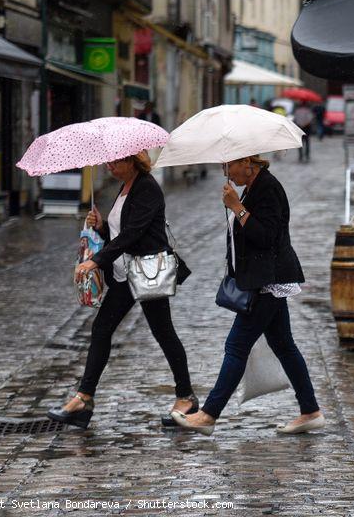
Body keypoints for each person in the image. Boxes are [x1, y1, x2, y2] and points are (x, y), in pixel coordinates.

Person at [172, 155, 323, 436]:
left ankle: (208, 415)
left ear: (247, 162)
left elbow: (266, 237)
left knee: (236, 347)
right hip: (262, 279)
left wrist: (238, 209)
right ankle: (310, 410)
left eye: (229, 165)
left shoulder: (268, 188)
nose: (225, 172)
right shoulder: (251, 188)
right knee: (284, 346)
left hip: (267, 282)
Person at [46, 152, 196, 430]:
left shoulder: (147, 187)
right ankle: (84, 398)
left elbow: (133, 234)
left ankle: (186, 396)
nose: (109, 166)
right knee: (101, 329)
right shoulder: (125, 186)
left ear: (132, 162)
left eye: (115, 162)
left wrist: (96, 260)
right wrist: (101, 227)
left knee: (163, 332)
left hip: (146, 273)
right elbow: (119, 233)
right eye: (108, 162)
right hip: (124, 274)